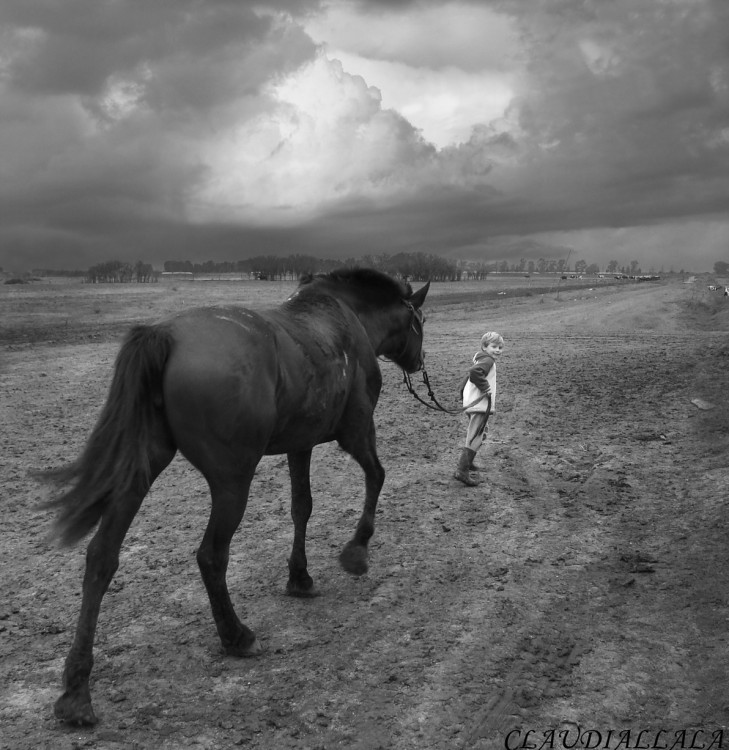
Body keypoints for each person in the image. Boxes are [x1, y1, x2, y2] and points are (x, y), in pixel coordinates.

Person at [454, 331, 504, 487]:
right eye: (494, 346)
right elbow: (475, 373)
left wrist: (462, 392)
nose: (497, 350)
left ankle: (468, 463)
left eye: (500, 347)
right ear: (484, 347)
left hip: (474, 403)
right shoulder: (488, 361)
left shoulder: (480, 358)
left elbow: (469, 374)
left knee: (480, 433)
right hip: (480, 404)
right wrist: (486, 388)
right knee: (476, 435)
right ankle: (462, 471)